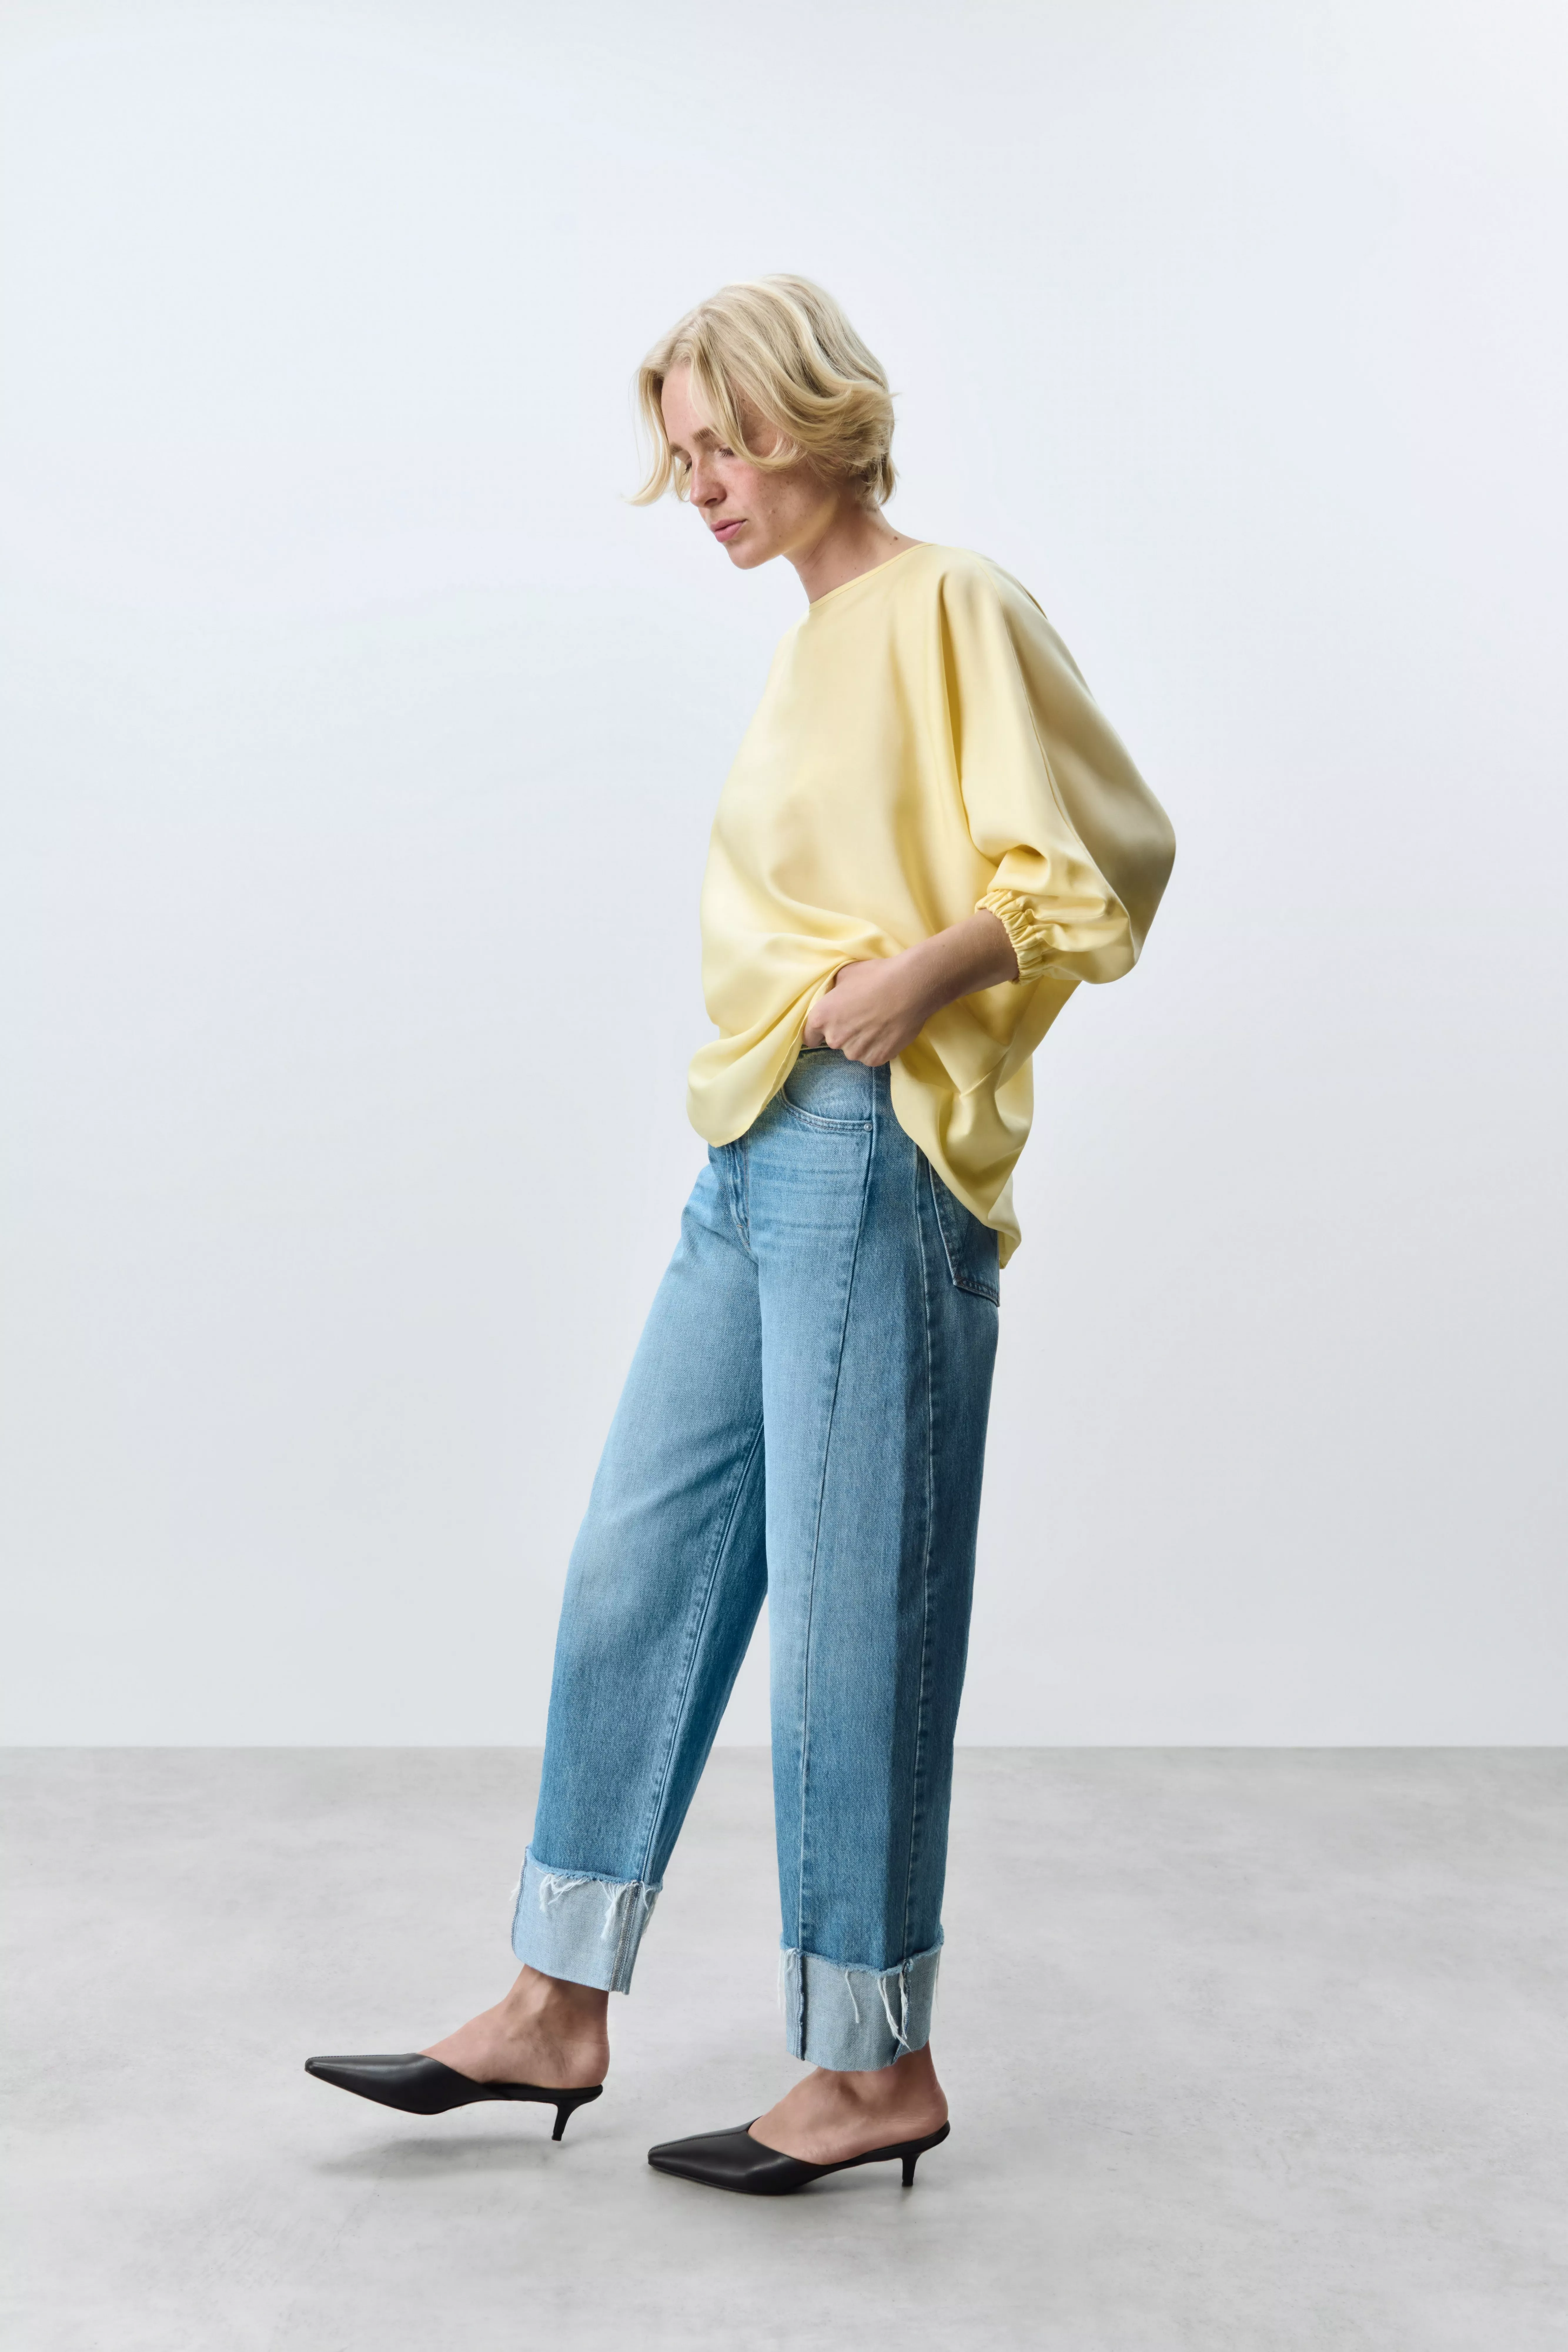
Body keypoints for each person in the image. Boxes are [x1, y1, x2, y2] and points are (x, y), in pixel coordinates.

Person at [306, 275, 1176, 2196]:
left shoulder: (950, 600)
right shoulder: (812, 642)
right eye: (681, 455)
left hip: (870, 1146)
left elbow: (1109, 860)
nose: (700, 482)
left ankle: (874, 2064)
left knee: (853, 1620)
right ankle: (556, 1998)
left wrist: (923, 980)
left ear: (817, 411)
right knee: (639, 1561)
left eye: (725, 439)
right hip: (755, 1149)